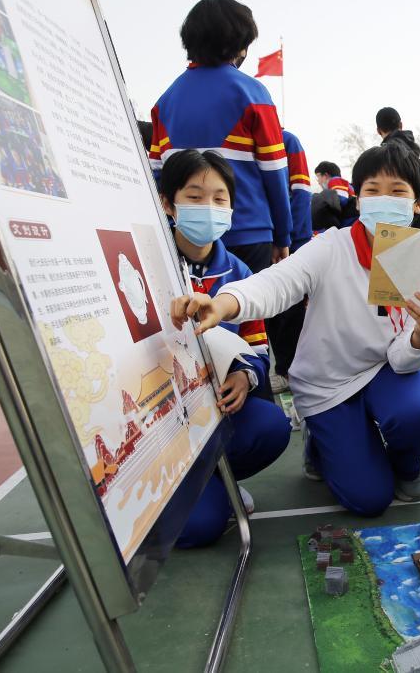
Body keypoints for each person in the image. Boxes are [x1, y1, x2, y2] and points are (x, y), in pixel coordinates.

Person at [170, 143, 420, 516]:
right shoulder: (330, 248)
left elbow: (403, 359)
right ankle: (321, 440)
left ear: (418, 203)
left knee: (418, 412)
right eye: (372, 190)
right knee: (369, 500)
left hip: (385, 371)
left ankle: (406, 463)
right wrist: (222, 303)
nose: (384, 200)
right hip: (329, 383)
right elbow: (277, 283)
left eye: (397, 191)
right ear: (359, 201)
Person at [158, 149, 290, 546]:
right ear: (168, 203)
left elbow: (256, 343)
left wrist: (243, 376)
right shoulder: (148, 262)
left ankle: (216, 479)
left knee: (272, 425)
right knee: (199, 529)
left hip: (212, 409)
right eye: (195, 197)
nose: (208, 207)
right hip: (160, 418)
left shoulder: (239, 272)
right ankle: (169, 488)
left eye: (219, 199)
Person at [149, 0, 292, 274]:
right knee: (249, 314)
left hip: (183, 237)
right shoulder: (253, 94)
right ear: (239, 43)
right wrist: (282, 235)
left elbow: (157, 178)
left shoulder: (164, 103)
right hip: (249, 234)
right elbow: (275, 172)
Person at [268, 129, 312, 391]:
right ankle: (282, 368)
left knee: (292, 308)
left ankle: (292, 370)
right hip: (264, 237)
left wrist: (290, 238)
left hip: (290, 241)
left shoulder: (287, 141)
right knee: (270, 309)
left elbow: (302, 192)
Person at [311, 161, 357, 231]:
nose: (318, 181)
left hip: (350, 218)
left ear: (326, 175)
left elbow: (341, 199)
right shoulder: (341, 183)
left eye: (318, 176)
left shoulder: (335, 180)